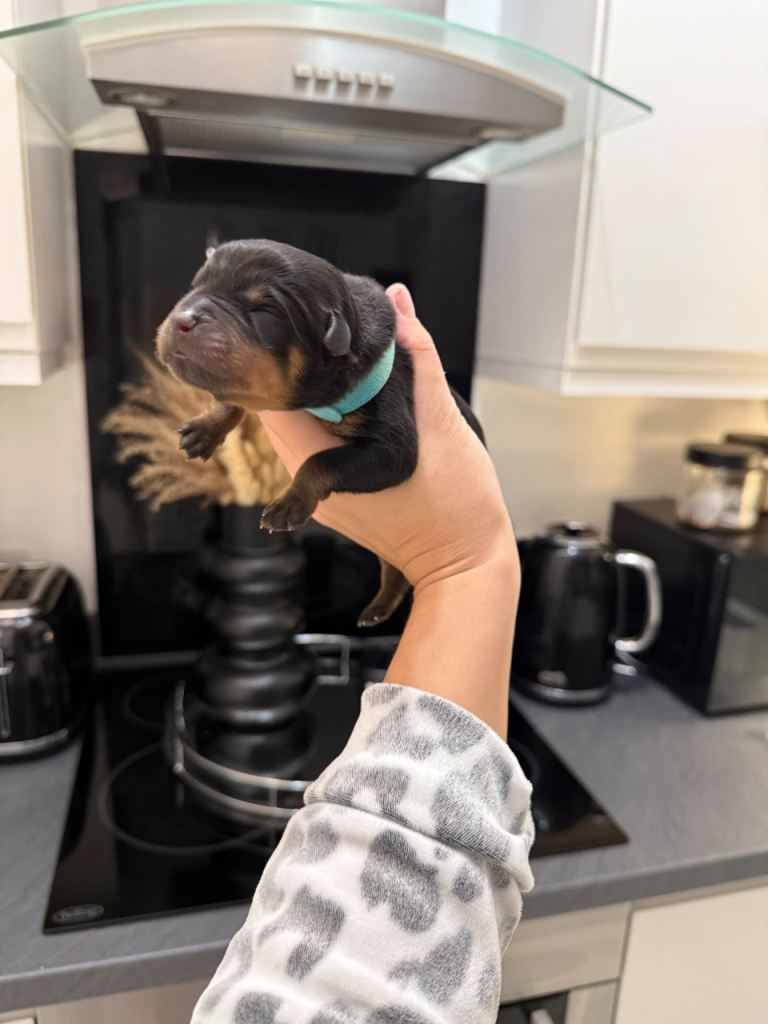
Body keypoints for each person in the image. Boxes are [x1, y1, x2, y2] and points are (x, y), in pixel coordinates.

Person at [190, 284, 534, 1024]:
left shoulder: (361, 371)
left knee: (397, 555)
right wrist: (467, 562)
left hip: (386, 444)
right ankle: (396, 579)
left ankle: (393, 581)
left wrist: (451, 561)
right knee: (402, 557)